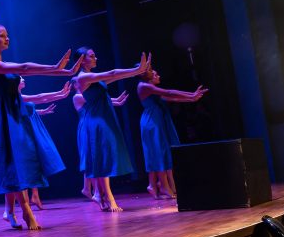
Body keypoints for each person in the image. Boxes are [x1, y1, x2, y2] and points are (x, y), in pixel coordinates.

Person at [0, 24, 81, 230]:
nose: (7, 39)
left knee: (23, 161)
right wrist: (55, 68)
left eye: (8, 35)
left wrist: (60, 74)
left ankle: (12, 210)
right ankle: (25, 210)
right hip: (5, 116)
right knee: (14, 162)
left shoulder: (3, 62)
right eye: (2, 36)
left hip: (16, 114)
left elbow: (28, 92)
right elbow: (25, 68)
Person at [73, 46, 150, 212]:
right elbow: (112, 73)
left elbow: (115, 77)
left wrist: (136, 72)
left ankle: (102, 196)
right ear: (82, 60)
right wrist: (137, 69)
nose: (96, 58)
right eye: (92, 56)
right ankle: (108, 197)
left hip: (104, 119)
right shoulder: (83, 78)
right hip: (96, 122)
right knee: (102, 160)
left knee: (105, 159)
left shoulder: (93, 79)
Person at [137, 67, 208, 199]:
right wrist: (191, 94)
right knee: (159, 153)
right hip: (152, 121)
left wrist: (191, 99)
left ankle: (159, 185)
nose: (153, 71)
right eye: (150, 70)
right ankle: (163, 186)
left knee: (162, 152)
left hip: (158, 120)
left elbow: (171, 98)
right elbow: (169, 92)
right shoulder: (144, 86)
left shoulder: (150, 88)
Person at [17, 78, 71, 210]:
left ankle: (35, 194)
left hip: (32, 128)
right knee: (28, 162)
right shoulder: (15, 96)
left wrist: (43, 111)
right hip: (24, 131)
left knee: (36, 160)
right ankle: (26, 197)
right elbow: (40, 97)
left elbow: (33, 106)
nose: (23, 79)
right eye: (20, 78)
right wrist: (60, 93)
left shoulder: (20, 97)